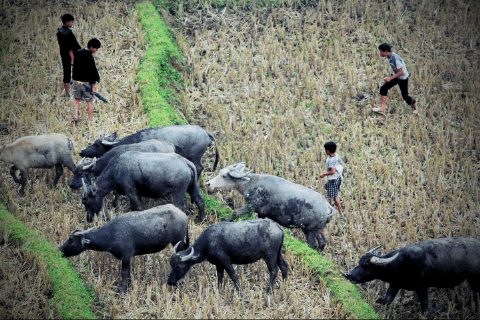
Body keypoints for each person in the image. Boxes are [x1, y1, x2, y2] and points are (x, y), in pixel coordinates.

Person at [372, 43, 417, 115]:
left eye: (381, 51)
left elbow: (401, 72)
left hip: (403, 78)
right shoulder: (389, 56)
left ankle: (415, 106)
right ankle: (382, 108)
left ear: (386, 51)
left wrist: (390, 78)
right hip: (398, 77)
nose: (380, 53)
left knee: (405, 96)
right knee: (383, 88)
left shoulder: (395, 58)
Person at [71, 38, 101, 124]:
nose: (96, 50)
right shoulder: (90, 58)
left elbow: (73, 66)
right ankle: (90, 121)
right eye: (96, 48)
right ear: (91, 47)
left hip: (76, 81)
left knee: (76, 99)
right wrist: (93, 86)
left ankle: (76, 116)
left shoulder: (78, 52)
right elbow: (92, 72)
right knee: (89, 101)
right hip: (85, 83)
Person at [56, 14, 81, 97]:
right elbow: (72, 47)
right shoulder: (68, 34)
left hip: (63, 55)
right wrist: (73, 58)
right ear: (67, 22)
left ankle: (67, 93)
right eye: (71, 22)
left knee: (66, 73)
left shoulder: (60, 32)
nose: (72, 23)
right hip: (71, 55)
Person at [320, 141, 344, 213]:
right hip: (338, 177)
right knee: (334, 191)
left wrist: (324, 174)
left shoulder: (331, 161)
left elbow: (332, 172)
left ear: (328, 151)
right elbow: (341, 163)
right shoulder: (336, 155)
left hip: (333, 180)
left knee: (334, 197)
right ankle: (338, 200)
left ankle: (339, 210)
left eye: (325, 150)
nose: (325, 151)